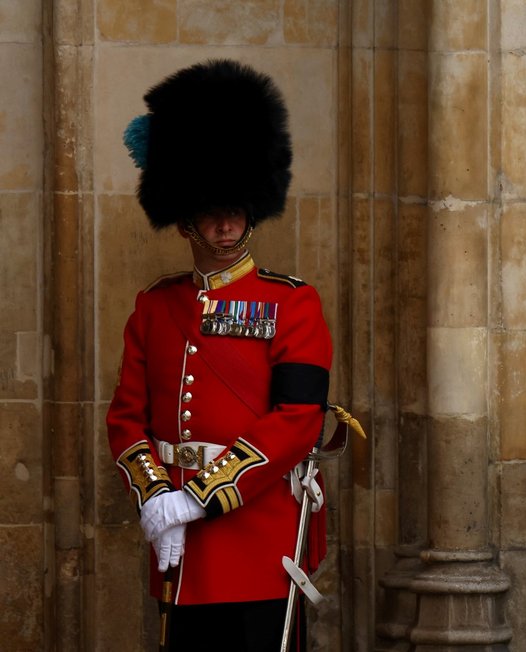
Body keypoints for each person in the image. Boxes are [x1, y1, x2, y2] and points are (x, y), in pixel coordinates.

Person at [106, 59, 332, 651]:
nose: (228, 222)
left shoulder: (293, 303)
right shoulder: (157, 307)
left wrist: (199, 496)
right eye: (211, 207)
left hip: (258, 538)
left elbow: (299, 420)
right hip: (181, 548)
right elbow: (126, 420)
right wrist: (156, 496)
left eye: (237, 206)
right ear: (185, 218)